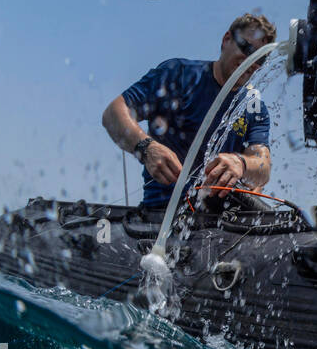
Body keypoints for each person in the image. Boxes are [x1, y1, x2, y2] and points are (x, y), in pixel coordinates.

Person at [102, 14, 275, 210]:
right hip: (160, 216)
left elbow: (263, 166)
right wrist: (145, 147)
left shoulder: (254, 107)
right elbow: (113, 113)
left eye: (260, 58)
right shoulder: (179, 75)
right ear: (227, 39)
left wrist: (241, 163)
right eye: (247, 49)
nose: (251, 61)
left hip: (223, 227)